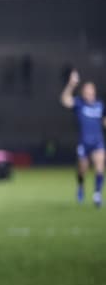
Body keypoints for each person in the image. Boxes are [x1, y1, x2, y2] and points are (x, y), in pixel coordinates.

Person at [60, 69, 105, 207]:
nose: (90, 93)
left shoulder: (100, 105)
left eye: (92, 90)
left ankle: (97, 194)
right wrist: (71, 84)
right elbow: (65, 100)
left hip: (98, 142)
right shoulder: (80, 104)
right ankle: (80, 185)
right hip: (84, 143)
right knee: (82, 169)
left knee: (100, 166)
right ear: (84, 92)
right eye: (87, 90)